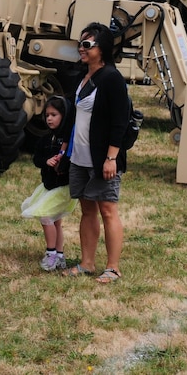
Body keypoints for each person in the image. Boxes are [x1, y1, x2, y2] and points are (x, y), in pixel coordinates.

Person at [62, 22, 131, 284]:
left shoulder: (111, 78)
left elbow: (120, 120)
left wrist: (111, 157)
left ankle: (113, 267)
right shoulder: (84, 76)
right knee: (87, 209)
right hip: (79, 156)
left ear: (101, 49)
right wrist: (65, 149)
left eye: (87, 44)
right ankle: (87, 263)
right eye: (80, 43)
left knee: (107, 209)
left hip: (103, 157)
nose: (81, 48)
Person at [20, 95, 75, 272]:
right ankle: (59, 255)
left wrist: (62, 163)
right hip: (48, 186)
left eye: (54, 114)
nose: (49, 118)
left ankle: (50, 253)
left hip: (63, 188)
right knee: (55, 220)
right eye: (47, 115)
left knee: (45, 217)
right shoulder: (45, 139)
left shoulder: (68, 141)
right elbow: (37, 159)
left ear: (64, 116)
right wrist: (47, 161)